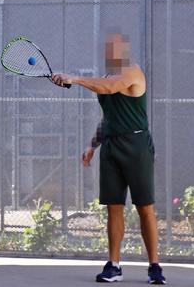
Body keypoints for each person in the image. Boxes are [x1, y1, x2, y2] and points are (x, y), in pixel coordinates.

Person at [52, 32, 166, 285]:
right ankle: (113, 266)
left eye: (118, 47)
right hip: (111, 147)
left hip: (136, 145)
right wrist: (92, 145)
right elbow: (108, 117)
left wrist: (74, 78)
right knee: (114, 207)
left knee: (144, 207)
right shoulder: (104, 78)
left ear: (125, 50)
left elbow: (111, 88)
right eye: (109, 48)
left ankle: (154, 267)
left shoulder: (132, 72)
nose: (113, 51)